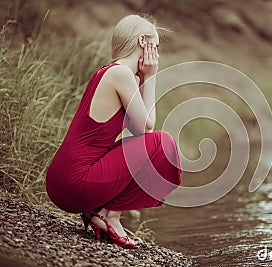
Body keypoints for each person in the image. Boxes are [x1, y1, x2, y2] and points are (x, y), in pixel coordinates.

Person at [45, 14, 182, 249]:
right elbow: (149, 127)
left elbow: (140, 132)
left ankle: (97, 211)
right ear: (142, 42)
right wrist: (151, 75)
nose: (157, 56)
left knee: (154, 143)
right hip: (75, 182)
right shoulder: (121, 75)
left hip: (62, 180)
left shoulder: (107, 72)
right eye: (155, 47)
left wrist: (145, 77)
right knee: (164, 143)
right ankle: (111, 216)